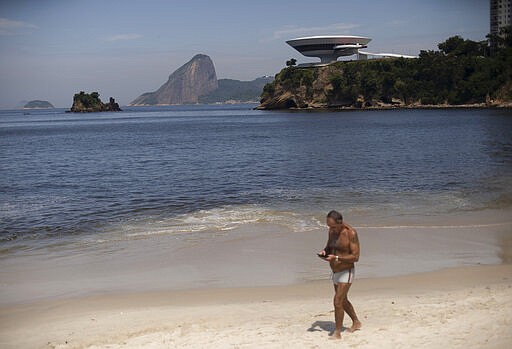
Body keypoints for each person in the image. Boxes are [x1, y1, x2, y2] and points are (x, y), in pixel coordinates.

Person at [318, 210, 362, 339]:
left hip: (346, 271)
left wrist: (336, 258)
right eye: (328, 226)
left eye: (333, 226)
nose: (331, 229)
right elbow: (329, 247)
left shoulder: (351, 233)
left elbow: (355, 257)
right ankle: (356, 322)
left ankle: (337, 332)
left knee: (337, 301)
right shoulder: (332, 231)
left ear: (340, 222)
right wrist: (324, 252)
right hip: (335, 271)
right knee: (343, 300)